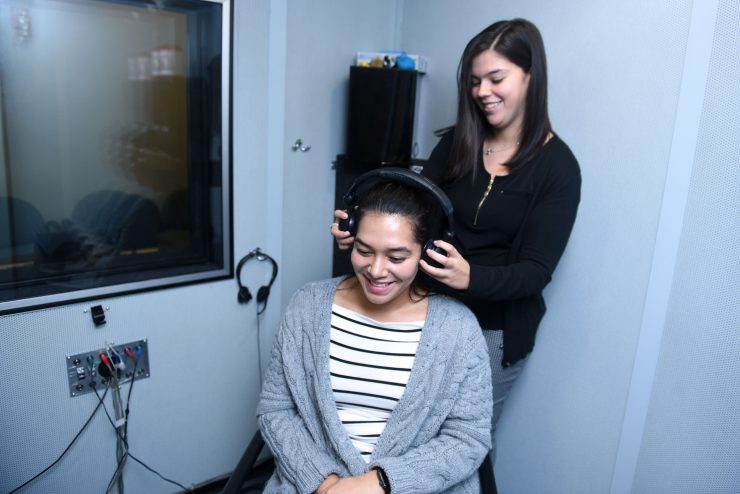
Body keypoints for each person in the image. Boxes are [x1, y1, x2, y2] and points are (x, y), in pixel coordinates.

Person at [333, 18, 582, 488]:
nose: (482, 91)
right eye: (474, 81)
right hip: (428, 309)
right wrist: (361, 231)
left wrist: (471, 278)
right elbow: (413, 209)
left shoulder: (559, 169)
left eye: (496, 79)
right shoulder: (459, 142)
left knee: (461, 447)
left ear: (531, 77)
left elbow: (535, 272)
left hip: (494, 332)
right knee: (401, 436)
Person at [259, 180, 493, 493]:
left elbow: (468, 439)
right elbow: (276, 410)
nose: (376, 270)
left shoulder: (457, 329)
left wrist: (379, 484)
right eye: (364, 251)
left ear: (428, 253)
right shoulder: (307, 306)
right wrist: (325, 484)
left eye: (397, 258)